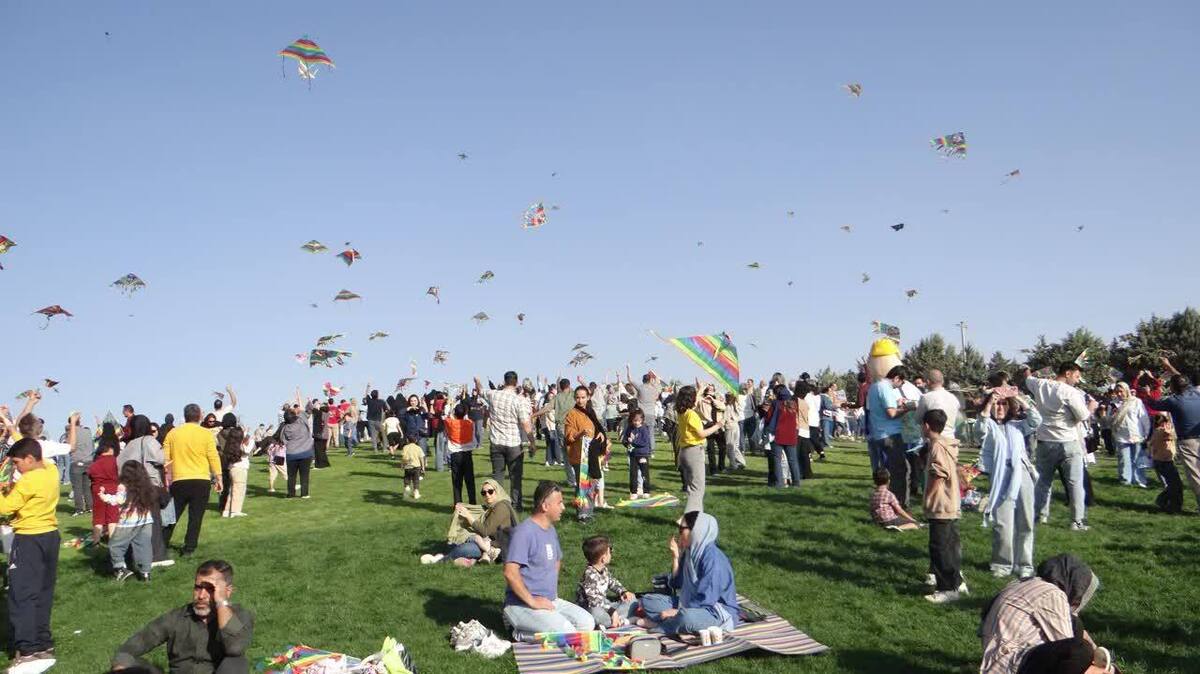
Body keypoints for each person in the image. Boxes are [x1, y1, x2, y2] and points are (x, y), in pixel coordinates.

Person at [112, 559, 254, 674]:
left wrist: (221, 602)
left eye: (211, 589)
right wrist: (122, 667)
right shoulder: (176, 617)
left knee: (236, 663)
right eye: (198, 587)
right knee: (131, 665)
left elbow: (235, 647)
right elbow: (129, 648)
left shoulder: (239, 616)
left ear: (227, 591)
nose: (201, 595)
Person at [979, 555, 1110, 674]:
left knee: (1076, 627)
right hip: (1012, 664)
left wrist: (1098, 653)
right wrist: (1092, 667)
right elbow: (1067, 644)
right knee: (1080, 651)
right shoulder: (1052, 594)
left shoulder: (1024, 583)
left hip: (1000, 660)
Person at [0, 435, 66, 671]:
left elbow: (4, 507)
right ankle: (42, 643)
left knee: (22, 594)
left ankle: (27, 649)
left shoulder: (29, 481)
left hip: (28, 538)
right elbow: (33, 448)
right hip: (50, 535)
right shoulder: (51, 470)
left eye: (17, 463)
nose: (16, 468)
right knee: (43, 592)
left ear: (29, 459)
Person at [502, 481, 595, 640]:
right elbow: (510, 573)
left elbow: (556, 561)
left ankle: (546, 625)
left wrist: (552, 593)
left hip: (550, 600)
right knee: (566, 633)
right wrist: (532, 601)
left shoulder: (550, 530)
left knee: (587, 623)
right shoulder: (523, 533)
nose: (563, 507)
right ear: (545, 506)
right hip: (521, 604)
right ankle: (515, 630)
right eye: (559, 503)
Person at [638, 511, 739, 636]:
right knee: (648, 600)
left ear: (697, 530)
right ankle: (675, 624)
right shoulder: (690, 553)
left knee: (687, 618)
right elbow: (677, 583)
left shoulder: (713, 559)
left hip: (714, 611)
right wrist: (676, 557)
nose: (679, 534)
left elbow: (706, 599)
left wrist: (678, 611)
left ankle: (663, 626)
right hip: (688, 602)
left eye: (682, 530)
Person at [1022, 363, 1095, 531]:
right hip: (1068, 441)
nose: (1077, 381)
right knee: (1075, 483)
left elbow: (1028, 379)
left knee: (1043, 482)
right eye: (1076, 377)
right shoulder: (1070, 392)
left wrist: (1027, 370)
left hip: (1045, 441)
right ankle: (1076, 521)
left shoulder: (1039, 384)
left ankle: (1039, 515)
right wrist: (1091, 408)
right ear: (1067, 373)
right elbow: (1083, 416)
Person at [979, 391, 1041, 579]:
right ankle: (1002, 563)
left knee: (1026, 520)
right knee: (1002, 522)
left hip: (1021, 473)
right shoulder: (988, 426)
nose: (1000, 408)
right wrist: (989, 401)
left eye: (1004, 404)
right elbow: (980, 428)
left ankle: (1024, 563)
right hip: (1000, 475)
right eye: (997, 404)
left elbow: (1036, 419)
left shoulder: (1018, 426)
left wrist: (1019, 397)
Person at [162, 404, 223, 556]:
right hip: (201, 480)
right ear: (199, 416)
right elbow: (213, 456)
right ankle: (189, 548)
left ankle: (161, 543)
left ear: (185, 415)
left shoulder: (173, 433)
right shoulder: (206, 434)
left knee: (172, 516)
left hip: (179, 480)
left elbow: (165, 458)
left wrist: (166, 478)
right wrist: (218, 477)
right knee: (195, 517)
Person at [423, 478, 519, 567]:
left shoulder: (501, 507)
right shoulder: (490, 507)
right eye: (483, 493)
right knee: (451, 544)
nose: (487, 495)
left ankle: (441, 560)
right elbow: (478, 513)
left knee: (464, 548)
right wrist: (462, 509)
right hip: (488, 542)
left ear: (497, 491)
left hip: (499, 546)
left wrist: (468, 516)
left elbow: (485, 531)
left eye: (490, 491)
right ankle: (469, 560)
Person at [1144, 360, 1200, 511]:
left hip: (1188, 441)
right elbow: (1181, 379)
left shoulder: (1174, 401)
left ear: (1173, 387)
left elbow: (1153, 405)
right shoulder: (1196, 392)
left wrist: (1148, 393)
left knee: (1195, 475)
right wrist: (1168, 366)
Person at [118, 414, 173, 567]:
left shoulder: (129, 446)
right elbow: (160, 458)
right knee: (154, 522)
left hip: (133, 488)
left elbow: (120, 465)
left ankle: (136, 557)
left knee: (138, 523)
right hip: (150, 485)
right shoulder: (149, 441)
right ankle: (156, 557)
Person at [922, 409, 965, 604]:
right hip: (951, 503)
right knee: (950, 546)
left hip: (940, 504)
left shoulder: (937, 446)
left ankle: (947, 588)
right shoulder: (947, 444)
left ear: (926, 426)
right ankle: (958, 582)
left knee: (939, 548)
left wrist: (929, 497)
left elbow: (939, 475)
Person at [477, 372, 534, 512]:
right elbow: (525, 423)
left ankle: (497, 505)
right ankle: (516, 505)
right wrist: (532, 442)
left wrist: (477, 381)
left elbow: (480, 390)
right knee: (516, 477)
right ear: (516, 382)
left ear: (504, 381)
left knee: (497, 476)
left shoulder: (494, 394)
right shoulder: (518, 400)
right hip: (513, 443)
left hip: (496, 442)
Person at [100, 460, 159, 582]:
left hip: (128, 522)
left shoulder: (123, 486)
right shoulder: (147, 486)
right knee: (144, 546)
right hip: (146, 521)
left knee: (115, 545)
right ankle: (145, 573)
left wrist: (103, 496)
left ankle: (120, 569)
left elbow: (118, 500)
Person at [674, 386, 723, 512]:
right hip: (694, 452)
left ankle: (695, 515)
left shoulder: (682, 412)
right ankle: (689, 519)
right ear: (692, 398)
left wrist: (700, 389)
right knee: (698, 488)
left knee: (692, 486)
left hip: (684, 452)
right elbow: (701, 434)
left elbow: (694, 403)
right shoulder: (692, 415)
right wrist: (718, 425)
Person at [870, 366, 913, 509]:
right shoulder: (886, 388)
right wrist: (907, 408)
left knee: (889, 471)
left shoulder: (874, 386)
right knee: (901, 470)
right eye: (901, 383)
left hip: (879, 433)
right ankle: (899, 505)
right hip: (890, 434)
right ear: (896, 378)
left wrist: (897, 404)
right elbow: (891, 413)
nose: (898, 387)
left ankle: (885, 501)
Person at [563, 386, 610, 516]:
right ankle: (582, 513)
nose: (580, 400)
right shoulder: (572, 413)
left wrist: (600, 434)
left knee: (591, 483)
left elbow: (597, 428)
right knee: (581, 484)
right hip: (579, 455)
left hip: (592, 454)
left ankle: (588, 511)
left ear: (588, 397)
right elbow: (569, 436)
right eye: (577, 397)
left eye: (583, 397)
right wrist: (580, 433)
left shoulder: (590, 411)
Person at [576, 535, 639, 628]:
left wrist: (623, 591)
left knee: (632, 600)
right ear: (603, 558)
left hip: (604, 604)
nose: (611, 554)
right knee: (597, 614)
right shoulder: (589, 576)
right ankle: (616, 621)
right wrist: (612, 611)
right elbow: (595, 603)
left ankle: (616, 620)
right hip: (590, 608)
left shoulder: (603, 569)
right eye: (610, 552)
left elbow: (611, 582)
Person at [1110, 381, 1151, 488]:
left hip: (1136, 434)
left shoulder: (1136, 401)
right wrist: (1112, 415)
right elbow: (1107, 419)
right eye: (1117, 392)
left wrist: (1147, 432)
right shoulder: (1114, 403)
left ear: (1126, 390)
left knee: (1138, 459)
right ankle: (1125, 481)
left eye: (1121, 391)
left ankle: (1139, 480)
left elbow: (1144, 417)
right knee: (1124, 459)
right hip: (1121, 435)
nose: (1119, 394)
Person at [763, 385, 802, 489]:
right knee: (793, 460)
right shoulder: (794, 404)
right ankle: (796, 483)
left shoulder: (776, 404)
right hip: (791, 435)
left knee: (777, 460)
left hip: (778, 435)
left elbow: (768, 418)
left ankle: (779, 483)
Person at [278, 396, 314, 499]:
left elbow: (283, 441)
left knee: (291, 476)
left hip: (291, 454)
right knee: (304, 475)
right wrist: (308, 400)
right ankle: (304, 494)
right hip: (306, 452)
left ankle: (291, 494)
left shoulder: (284, 428)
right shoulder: (302, 419)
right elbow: (308, 410)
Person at [445, 402, 478, 505]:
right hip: (467, 454)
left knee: (456, 482)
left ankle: (457, 504)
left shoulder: (450, 423)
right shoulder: (470, 423)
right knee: (470, 481)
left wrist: (451, 408)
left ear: (455, 413)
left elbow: (447, 416)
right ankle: (472, 503)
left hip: (455, 454)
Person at [88, 439, 120, 546]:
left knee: (98, 516)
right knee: (113, 516)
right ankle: (113, 541)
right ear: (110, 450)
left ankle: (96, 541)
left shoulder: (95, 463)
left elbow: (90, 474)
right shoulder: (116, 461)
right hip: (113, 488)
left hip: (98, 489)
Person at [1148, 412, 1182, 513]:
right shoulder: (1162, 432)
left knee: (1174, 484)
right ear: (1163, 423)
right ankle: (1168, 503)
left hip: (1161, 461)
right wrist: (1170, 431)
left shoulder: (1156, 432)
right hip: (1164, 462)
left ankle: (1165, 501)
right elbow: (1171, 435)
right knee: (1176, 485)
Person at [916, 369, 961, 440]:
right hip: (950, 439)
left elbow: (918, 419)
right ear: (942, 381)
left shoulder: (926, 398)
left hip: (934, 440)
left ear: (928, 381)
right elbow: (957, 420)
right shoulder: (954, 398)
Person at [218, 417, 249, 518]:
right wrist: (247, 435)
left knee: (233, 490)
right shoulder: (240, 446)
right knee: (239, 490)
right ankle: (235, 511)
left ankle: (226, 511)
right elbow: (248, 451)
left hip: (232, 468)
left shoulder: (230, 445)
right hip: (240, 469)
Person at [552, 378, 578, 487]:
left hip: (561, 427)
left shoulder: (557, 397)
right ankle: (578, 478)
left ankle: (572, 480)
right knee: (576, 452)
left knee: (566, 455)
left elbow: (548, 407)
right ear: (569, 385)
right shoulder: (574, 395)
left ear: (560, 387)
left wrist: (535, 414)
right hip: (574, 426)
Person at [66, 414, 94, 517]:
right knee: (87, 486)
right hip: (88, 461)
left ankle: (79, 509)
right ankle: (90, 507)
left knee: (77, 487)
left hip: (77, 461)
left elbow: (69, 445)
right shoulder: (87, 431)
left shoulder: (71, 433)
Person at [625, 366, 663, 440]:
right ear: (650, 380)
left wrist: (628, 369)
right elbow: (659, 380)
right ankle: (651, 449)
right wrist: (653, 373)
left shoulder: (640, 387)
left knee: (639, 432)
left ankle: (640, 446)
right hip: (651, 414)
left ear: (643, 380)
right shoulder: (655, 388)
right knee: (651, 434)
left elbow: (629, 379)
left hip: (641, 414)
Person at [623, 409, 653, 498]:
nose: (636, 423)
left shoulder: (644, 429)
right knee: (633, 474)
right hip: (633, 454)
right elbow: (625, 439)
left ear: (642, 420)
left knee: (644, 473)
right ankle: (633, 492)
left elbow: (644, 442)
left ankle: (646, 491)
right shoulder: (630, 428)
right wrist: (628, 445)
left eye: (638, 421)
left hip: (642, 454)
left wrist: (633, 441)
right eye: (634, 421)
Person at [400, 435, 426, 499]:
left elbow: (403, 457)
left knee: (407, 478)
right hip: (416, 466)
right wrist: (423, 467)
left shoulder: (405, 447)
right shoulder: (418, 448)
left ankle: (407, 487)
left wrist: (402, 465)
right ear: (416, 441)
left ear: (407, 440)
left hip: (408, 466)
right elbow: (421, 458)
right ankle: (416, 493)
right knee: (416, 480)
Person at [364, 386, 387, 451]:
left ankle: (375, 448)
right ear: (377, 395)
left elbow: (366, 395)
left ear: (371, 395)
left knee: (373, 435)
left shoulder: (369, 401)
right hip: (378, 420)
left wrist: (368, 387)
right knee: (383, 434)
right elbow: (386, 410)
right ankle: (385, 448)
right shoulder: (381, 401)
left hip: (370, 420)